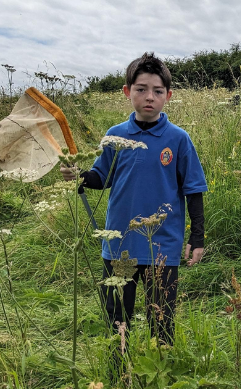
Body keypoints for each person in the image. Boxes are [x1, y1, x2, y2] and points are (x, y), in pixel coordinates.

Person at [60, 52, 207, 347]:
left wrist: (198, 237)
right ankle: (119, 370)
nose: (149, 97)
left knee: (162, 318)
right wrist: (79, 175)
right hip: (120, 246)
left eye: (157, 91)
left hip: (161, 248)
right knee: (117, 317)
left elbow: (193, 189)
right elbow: (102, 178)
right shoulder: (115, 136)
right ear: (128, 92)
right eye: (141, 89)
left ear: (168, 95)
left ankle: (159, 368)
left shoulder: (178, 139)